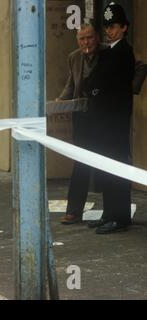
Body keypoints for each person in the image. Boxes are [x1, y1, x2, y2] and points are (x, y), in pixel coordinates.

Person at [84, 2, 135, 234]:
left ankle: (120, 216)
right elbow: (90, 81)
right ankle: (109, 213)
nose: (109, 30)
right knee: (107, 168)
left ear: (124, 27)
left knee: (118, 167)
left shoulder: (124, 52)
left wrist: (96, 88)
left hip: (115, 121)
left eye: (113, 26)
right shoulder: (108, 53)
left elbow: (105, 84)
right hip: (104, 121)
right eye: (107, 26)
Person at [58, 23, 107, 225]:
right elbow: (72, 84)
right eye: (82, 39)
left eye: (89, 38)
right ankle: (74, 211)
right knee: (80, 163)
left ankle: (112, 213)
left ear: (96, 37)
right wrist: (61, 102)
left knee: (106, 163)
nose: (86, 43)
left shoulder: (109, 53)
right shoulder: (74, 57)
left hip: (104, 118)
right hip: (82, 118)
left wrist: (128, 91)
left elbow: (139, 67)